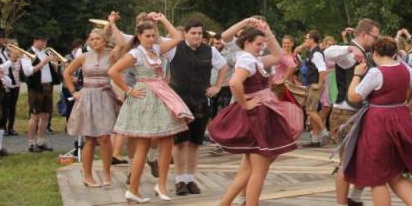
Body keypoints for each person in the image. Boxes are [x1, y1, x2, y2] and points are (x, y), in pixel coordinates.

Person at [209, 20, 304, 206]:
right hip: (258, 114)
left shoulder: (254, 59)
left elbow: (278, 55)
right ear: (247, 42)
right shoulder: (246, 59)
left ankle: (224, 203)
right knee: (259, 170)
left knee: (249, 169)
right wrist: (245, 104)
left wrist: (267, 31)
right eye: (259, 44)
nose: (262, 48)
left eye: (262, 44)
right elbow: (235, 83)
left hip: (262, 111)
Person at [340, 36, 412, 206]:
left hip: (378, 125)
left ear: (375, 53)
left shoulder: (376, 73)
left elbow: (354, 96)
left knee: (377, 179)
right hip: (401, 122)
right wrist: (406, 109)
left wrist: (356, 75)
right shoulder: (405, 68)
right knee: (396, 176)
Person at [110, 14, 193, 202]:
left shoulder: (156, 49)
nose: (151, 39)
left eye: (153, 35)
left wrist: (163, 19)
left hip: (162, 96)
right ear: (139, 36)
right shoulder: (136, 54)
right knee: (143, 145)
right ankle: (133, 188)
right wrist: (128, 90)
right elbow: (113, 71)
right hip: (145, 98)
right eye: (147, 36)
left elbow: (178, 38)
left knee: (167, 139)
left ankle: (161, 185)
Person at [323, 19, 382, 206]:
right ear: (364, 34)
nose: (377, 40)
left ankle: (354, 198)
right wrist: (350, 48)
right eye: (375, 37)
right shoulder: (349, 53)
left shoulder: (368, 53)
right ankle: (343, 203)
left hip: (362, 112)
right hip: (346, 114)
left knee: (366, 158)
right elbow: (327, 52)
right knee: (347, 163)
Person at [168, 18, 228, 196]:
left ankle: (190, 179)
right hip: (180, 103)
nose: (196, 36)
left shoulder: (210, 51)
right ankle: (179, 181)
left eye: (199, 33)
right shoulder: (175, 48)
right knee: (180, 143)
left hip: (201, 102)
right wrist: (161, 20)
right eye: (193, 33)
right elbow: (155, 41)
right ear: (185, 33)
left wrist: (217, 86)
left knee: (195, 143)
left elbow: (223, 66)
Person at [64, 26, 120, 188]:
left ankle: (107, 172)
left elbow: (122, 44)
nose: (94, 41)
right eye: (92, 39)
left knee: (105, 137)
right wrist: (74, 91)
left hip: (105, 95)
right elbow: (67, 73)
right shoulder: (83, 57)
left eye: (98, 39)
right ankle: (88, 176)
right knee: (89, 138)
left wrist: (112, 24)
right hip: (87, 96)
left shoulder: (111, 55)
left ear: (104, 41)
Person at [20, 31, 61, 153]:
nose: (44, 43)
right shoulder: (28, 54)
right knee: (35, 116)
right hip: (36, 87)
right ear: (35, 40)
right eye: (42, 40)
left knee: (45, 115)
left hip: (48, 86)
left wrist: (54, 65)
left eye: (45, 41)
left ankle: (41, 141)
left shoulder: (46, 52)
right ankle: (31, 143)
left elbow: (54, 69)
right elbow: (28, 72)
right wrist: (43, 62)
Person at [301, 30, 329, 145]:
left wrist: (318, 84)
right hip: (311, 85)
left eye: (307, 38)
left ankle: (324, 131)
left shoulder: (316, 53)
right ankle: (315, 139)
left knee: (310, 110)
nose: (305, 40)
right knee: (312, 111)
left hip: (314, 85)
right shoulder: (311, 51)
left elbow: (323, 70)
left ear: (312, 40)